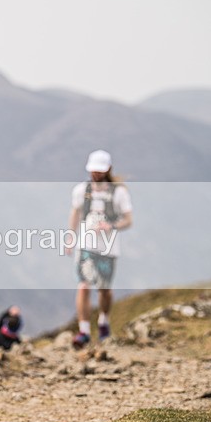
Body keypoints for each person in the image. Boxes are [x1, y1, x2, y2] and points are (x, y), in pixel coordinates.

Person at [66, 150, 133, 349]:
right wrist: (71, 236)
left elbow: (128, 220)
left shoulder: (119, 193)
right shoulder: (81, 190)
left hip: (108, 247)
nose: (95, 174)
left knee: (104, 289)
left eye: (99, 171)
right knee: (84, 285)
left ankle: (103, 320)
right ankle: (84, 331)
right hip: (85, 245)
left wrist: (111, 226)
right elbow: (75, 212)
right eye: (93, 171)